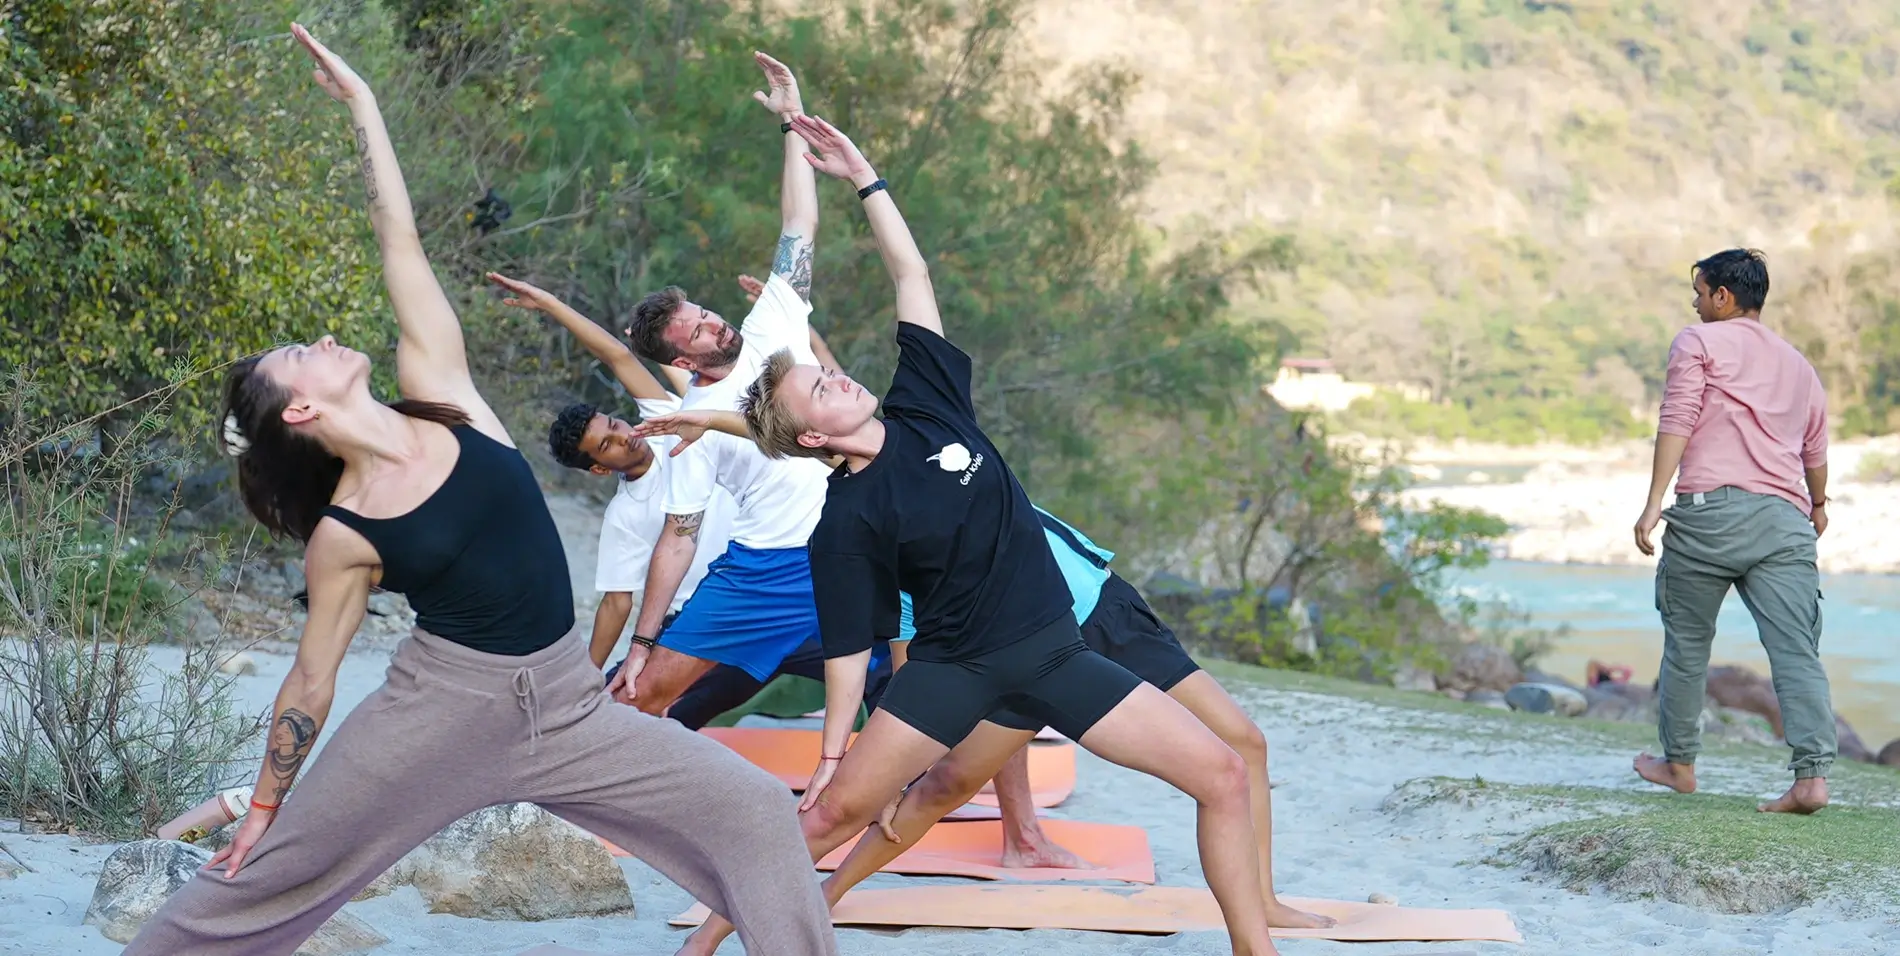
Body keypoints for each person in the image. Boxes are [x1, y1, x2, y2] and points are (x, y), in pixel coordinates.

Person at [121, 28, 836, 955]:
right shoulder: (344, 531)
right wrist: (262, 806)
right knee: (264, 881)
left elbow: (399, 241)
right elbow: (311, 678)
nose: (325, 339)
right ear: (299, 410)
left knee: (756, 811)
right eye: (302, 352)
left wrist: (364, 106)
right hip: (435, 718)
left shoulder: (444, 395)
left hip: (570, 705)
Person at [672, 112, 1283, 956]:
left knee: (1222, 773)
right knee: (831, 816)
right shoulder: (844, 518)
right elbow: (849, 650)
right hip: (955, 673)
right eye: (819, 388)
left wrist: (864, 177)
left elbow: (910, 272)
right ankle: (701, 944)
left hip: (1058, 654)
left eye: (827, 370)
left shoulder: (928, 402)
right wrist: (832, 755)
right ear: (811, 434)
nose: (837, 377)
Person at [607, 52, 837, 715]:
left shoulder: (773, 322)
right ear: (683, 359)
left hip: (849, 547)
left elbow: (799, 224)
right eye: (697, 333)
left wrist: (792, 121)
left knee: (949, 675)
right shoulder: (694, 423)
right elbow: (679, 536)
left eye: (706, 314)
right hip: (765, 569)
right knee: (640, 692)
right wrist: (643, 640)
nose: (714, 325)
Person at [1631, 247, 1836, 815]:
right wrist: (1819, 505)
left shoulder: (1696, 342)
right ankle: (1811, 780)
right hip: (1785, 521)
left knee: (1688, 645)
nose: (1695, 305)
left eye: (1699, 294)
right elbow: (1815, 449)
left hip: (1708, 518)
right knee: (1796, 650)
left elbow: (1678, 417)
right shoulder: (1800, 365)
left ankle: (1679, 764)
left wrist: (1654, 502)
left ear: (1723, 296)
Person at [488, 272, 736, 670]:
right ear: (600, 469)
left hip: (758, 575)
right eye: (607, 445)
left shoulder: (663, 420)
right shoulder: (625, 515)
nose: (623, 437)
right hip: (693, 619)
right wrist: (588, 674)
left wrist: (550, 305)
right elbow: (617, 601)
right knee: (627, 693)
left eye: (614, 424)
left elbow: (617, 356)